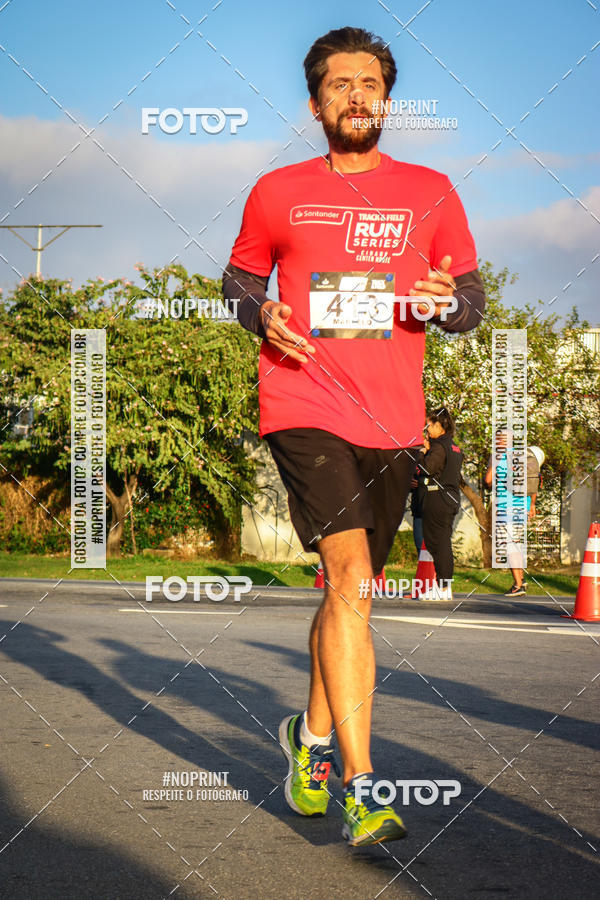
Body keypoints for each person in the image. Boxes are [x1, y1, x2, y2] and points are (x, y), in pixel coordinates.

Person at [223, 26, 485, 847]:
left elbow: (470, 301)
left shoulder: (431, 191)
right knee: (350, 579)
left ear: (388, 101)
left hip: (393, 419)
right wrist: (259, 314)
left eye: (370, 83)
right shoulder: (277, 191)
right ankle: (362, 786)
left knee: (350, 590)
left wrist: (446, 304)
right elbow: (239, 279)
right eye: (339, 84)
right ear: (316, 105)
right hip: (302, 400)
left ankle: (308, 737)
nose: (356, 96)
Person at [484, 432, 539, 596]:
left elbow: (488, 480)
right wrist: (532, 504)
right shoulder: (523, 455)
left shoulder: (497, 456)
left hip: (506, 506)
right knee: (516, 543)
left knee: (509, 545)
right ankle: (522, 579)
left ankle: (518, 584)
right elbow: (534, 481)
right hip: (523, 506)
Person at [418, 408, 463, 600]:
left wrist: (422, 453)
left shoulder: (438, 446)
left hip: (438, 498)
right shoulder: (454, 447)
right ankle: (445, 586)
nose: (427, 429)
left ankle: (443, 587)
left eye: (429, 425)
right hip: (450, 497)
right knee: (443, 541)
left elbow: (426, 468)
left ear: (439, 426)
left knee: (438, 543)